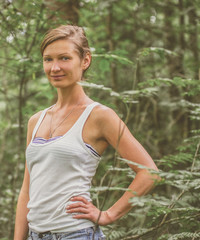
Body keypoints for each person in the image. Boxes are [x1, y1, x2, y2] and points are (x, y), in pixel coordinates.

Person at [14, 25, 159, 240]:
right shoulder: (36, 120)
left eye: (64, 58)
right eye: (48, 59)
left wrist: (108, 214)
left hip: (76, 234)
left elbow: (149, 172)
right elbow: (27, 190)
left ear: (85, 60)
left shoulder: (99, 115)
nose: (55, 68)